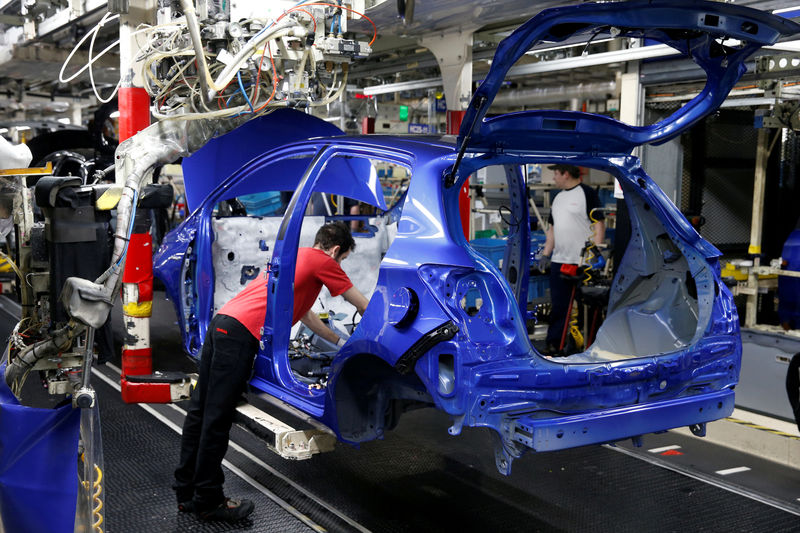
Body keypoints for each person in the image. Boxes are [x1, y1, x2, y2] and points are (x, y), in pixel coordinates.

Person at [174, 221, 369, 522]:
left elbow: (305, 314)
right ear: (334, 250)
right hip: (239, 335)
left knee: (200, 413)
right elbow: (358, 301)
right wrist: (380, 330)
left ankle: (186, 492)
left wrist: (339, 342)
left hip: (222, 324)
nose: (339, 265)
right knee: (217, 419)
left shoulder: (294, 259)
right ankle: (209, 500)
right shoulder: (322, 260)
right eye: (341, 260)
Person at [540, 164, 605, 355]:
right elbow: (552, 230)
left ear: (565, 173)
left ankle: (593, 345)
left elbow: (598, 224)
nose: (554, 178)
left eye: (556, 174)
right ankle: (555, 345)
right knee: (559, 307)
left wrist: (596, 253)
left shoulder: (587, 193)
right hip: (560, 261)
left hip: (582, 261)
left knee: (588, 307)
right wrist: (546, 254)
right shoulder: (558, 198)